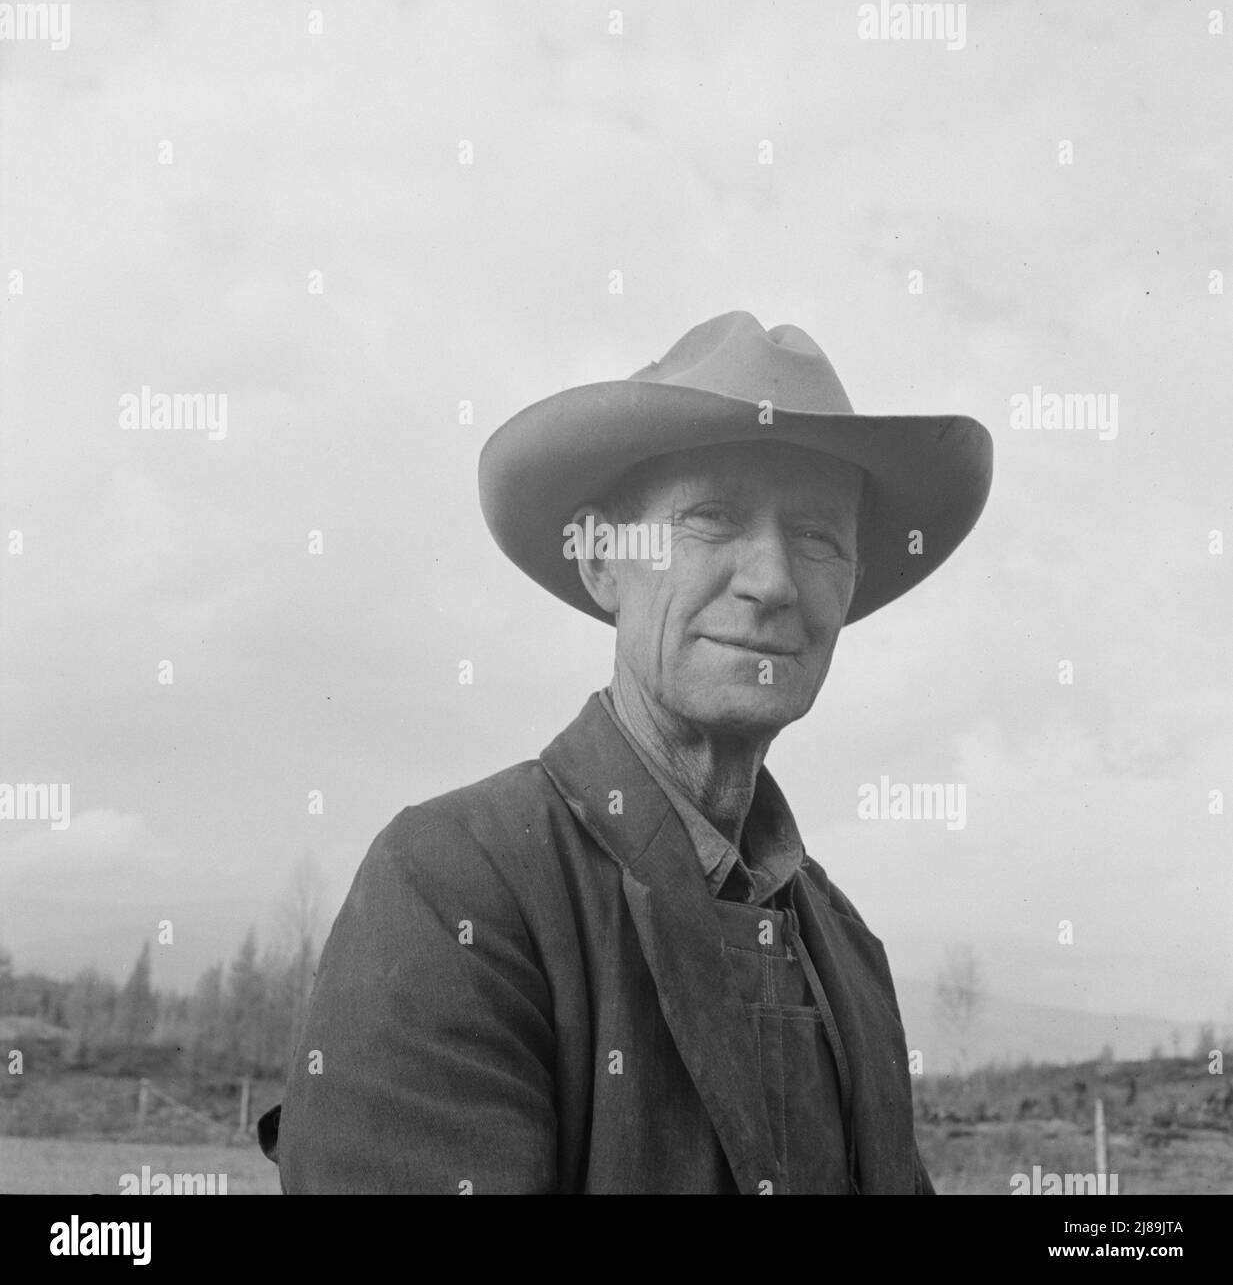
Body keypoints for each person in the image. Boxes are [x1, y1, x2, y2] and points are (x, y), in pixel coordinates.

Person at [261, 310, 993, 1193]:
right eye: (713, 518)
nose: (769, 582)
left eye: (816, 536)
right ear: (604, 562)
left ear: (849, 587)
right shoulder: (453, 886)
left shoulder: (848, 952)